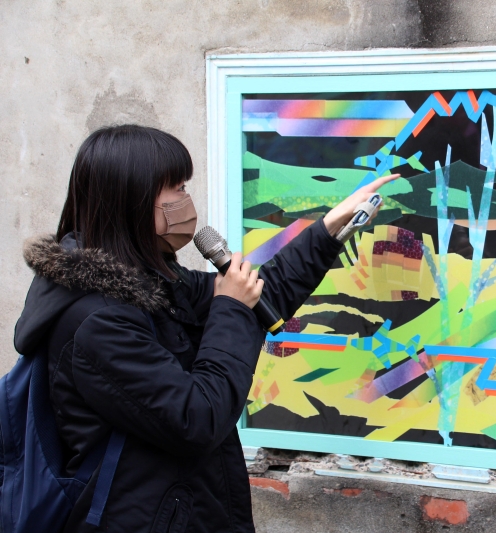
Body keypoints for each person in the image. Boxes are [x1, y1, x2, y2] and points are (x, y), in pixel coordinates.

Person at [12, 124, 397, 532]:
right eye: (177, 188)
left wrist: (330, 228)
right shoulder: (97, 322)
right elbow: (198, 417)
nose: (186, 200)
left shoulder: (150, 282)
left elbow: (254, 294)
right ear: (132, 200)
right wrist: (231, 307)